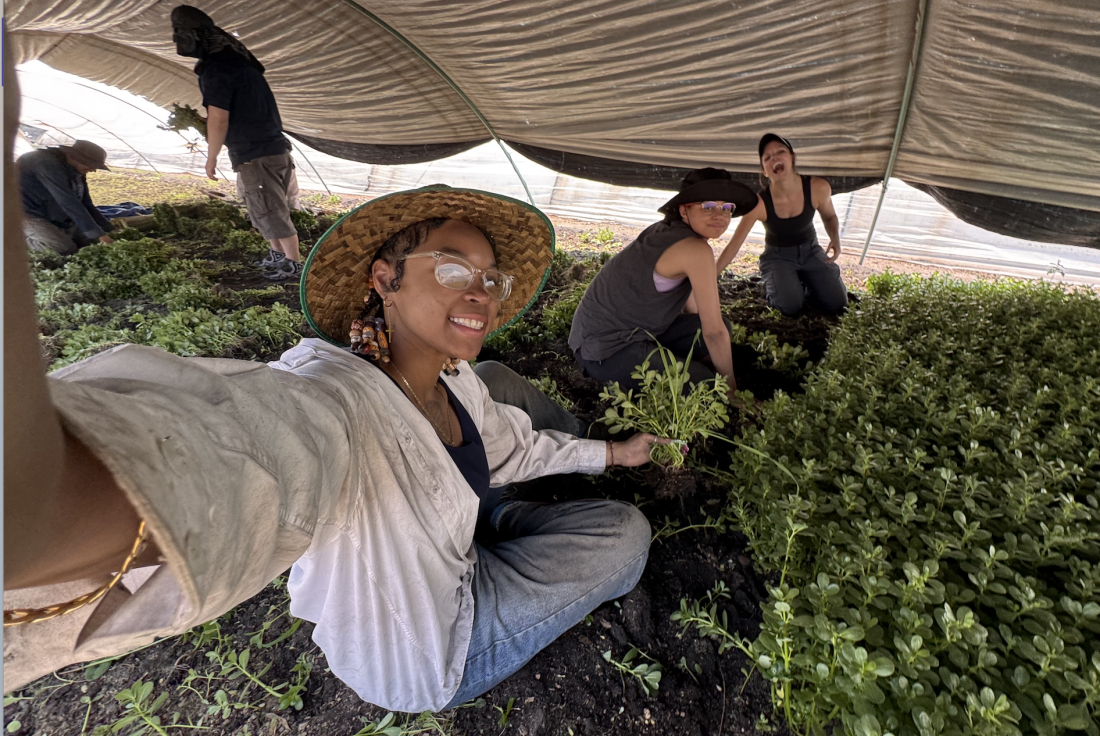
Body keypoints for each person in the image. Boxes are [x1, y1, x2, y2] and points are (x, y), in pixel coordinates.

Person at [3, 176, 673, 710]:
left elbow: (512, 449)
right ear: (384, 279)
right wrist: (63, 495)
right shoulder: (333, 403)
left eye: (490, 279)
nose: (481, 293)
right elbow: (231, 449)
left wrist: (614, 453)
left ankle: (489, 515)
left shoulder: (454, 377)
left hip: (451, 546)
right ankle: (498, 518)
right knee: (625, 536)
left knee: (497, 384)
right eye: (452, 269)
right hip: (431, 643)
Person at [568, 168, 756, 391]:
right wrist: (732, 391)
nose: (720, 215)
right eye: (708, 206)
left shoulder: (665, 230)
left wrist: (708, 349)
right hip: (606, 350)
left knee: (717, 330)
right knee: (707, 385)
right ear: (684, 210)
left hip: (619, 332)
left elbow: (696, 312)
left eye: (727, 208)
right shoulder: (696, 250)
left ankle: (685, 364)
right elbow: (713, 332)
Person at [171, 5, 302, 281]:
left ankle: (293, 265)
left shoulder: (217, 68)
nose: (175, 41)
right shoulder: (239, 62)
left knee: (271, 210)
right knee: (262, 208)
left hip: (257, 154)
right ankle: (278, 256)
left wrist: (211, 157)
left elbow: (218, 118)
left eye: (179, 34)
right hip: (268, 150)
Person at [717, 134, 848, 315]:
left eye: (780, 152)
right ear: (764, 171)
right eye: (767, 157)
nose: (775, 158)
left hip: (811, 251)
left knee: (837, 303)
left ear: (792, 158)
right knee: (790, 307)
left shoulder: (818, 188)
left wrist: (835, 238)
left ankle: (804, 282)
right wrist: (711, 275)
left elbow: (830, 216)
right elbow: (734, 244)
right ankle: (780, 281)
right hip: (778, 257)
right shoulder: (759, 203)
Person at [17, 140, 115, 255]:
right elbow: (67, 201)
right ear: (73, 157)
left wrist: (108, 229)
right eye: (91, 165)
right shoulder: (45, 163)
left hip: (53, 214)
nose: (93, 170)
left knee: (89, 242)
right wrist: (99, 234)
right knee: (63, 249)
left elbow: (86, 204)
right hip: (28, 213)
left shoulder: (77, 170)